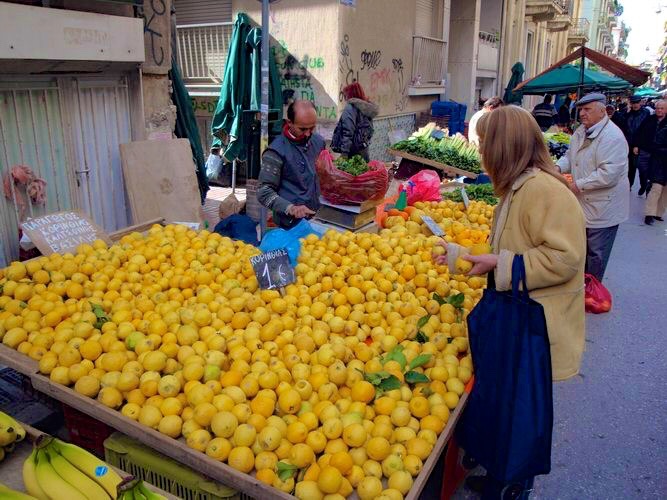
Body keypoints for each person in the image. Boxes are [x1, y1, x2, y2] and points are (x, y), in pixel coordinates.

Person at [435, 105, 586, 497]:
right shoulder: (519, 187)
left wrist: (502, 263)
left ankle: (515, 484)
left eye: (485, 145)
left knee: (523, 412)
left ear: (503, 148)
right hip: (519, 317)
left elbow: (565, 258)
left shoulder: (546, 191)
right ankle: (503, 474)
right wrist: (457, 254)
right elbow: (505, 250)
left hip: (536, 324)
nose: (481, 153)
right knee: (509, 406)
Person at [557, 93, 629, 282]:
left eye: (587, 109)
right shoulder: (581, 131)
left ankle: (593, 290)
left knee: (596, 252)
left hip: (603, 206)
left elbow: (608, 175)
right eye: (581, 109)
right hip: (584, 201)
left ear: (602, 111)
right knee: (582, 247)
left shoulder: (613, 137)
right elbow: (570, 156)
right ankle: (581, 286)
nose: (582, 113)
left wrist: (576, 185)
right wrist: (557, 167)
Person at [257, 100, 325, 229]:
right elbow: (263, 192)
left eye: (312, 128)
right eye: (303, 129)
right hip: (289, 224)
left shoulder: (318, 142)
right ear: (290, 123)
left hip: (317, 219)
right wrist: (290, 208)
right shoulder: (276, 151)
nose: (308, 134)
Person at [331, 82, 379, 161]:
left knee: (352, 172)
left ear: (350, 94)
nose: (345, 97)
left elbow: (347, 132)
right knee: (364, 171)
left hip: (352, 151)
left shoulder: (350, 108)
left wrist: (344, 153)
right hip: (363, 148)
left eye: (345, 95)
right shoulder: (367, 108)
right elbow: (370, 130)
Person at [641, 100, 667, 225]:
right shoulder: (650, 120)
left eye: (662, 108)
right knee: (656, 188)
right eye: (658, 108)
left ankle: (658, 213)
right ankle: (649, 214)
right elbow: (643, 134)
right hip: (657, 160)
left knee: (665, 190)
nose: (659, 110)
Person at [626, 95, 652, 194]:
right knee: (630, 167)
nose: (635, 105)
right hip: (629, 144)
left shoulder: (646, 113)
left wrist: (638, 145)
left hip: (641, 144)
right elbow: (623, 125)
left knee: (641, 167)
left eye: (637, 102)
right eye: (633, 103)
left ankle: (643, 184)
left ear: (640, 102)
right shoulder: (628, 113)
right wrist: (627, 111)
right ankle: (629, 186)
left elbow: (645, 130)